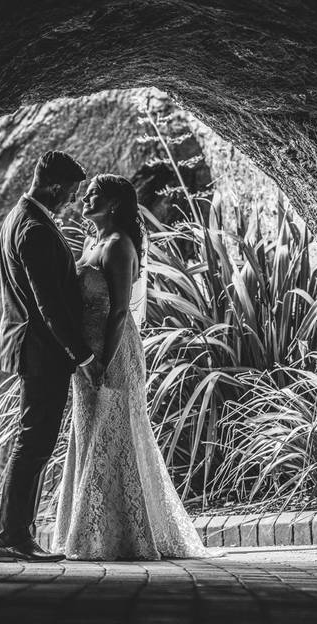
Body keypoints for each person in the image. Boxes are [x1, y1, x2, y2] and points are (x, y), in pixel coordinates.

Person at [52, 174, 220, 560]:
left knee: (116, 433)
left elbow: (119, 311)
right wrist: (81, 356)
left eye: (94, 194)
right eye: (86, 193)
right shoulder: (93, 243)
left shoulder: (118, 245)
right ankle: (94, 532)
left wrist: (104, 363)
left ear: (113, 204)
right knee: (90, 434)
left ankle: (124, 534)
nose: (85, 199)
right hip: (86, 355)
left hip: (112, 351)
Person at [0, 151, 104, 563]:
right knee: (33, 443)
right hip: (42, 351)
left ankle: (16, 537)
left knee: (33, 441)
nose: (73, 199)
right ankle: (13, 540)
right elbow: (48, 306)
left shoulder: (18, 218)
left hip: (33, 348)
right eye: (72, 191)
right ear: (56, 186)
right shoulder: (34, 228)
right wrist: (81, 355)